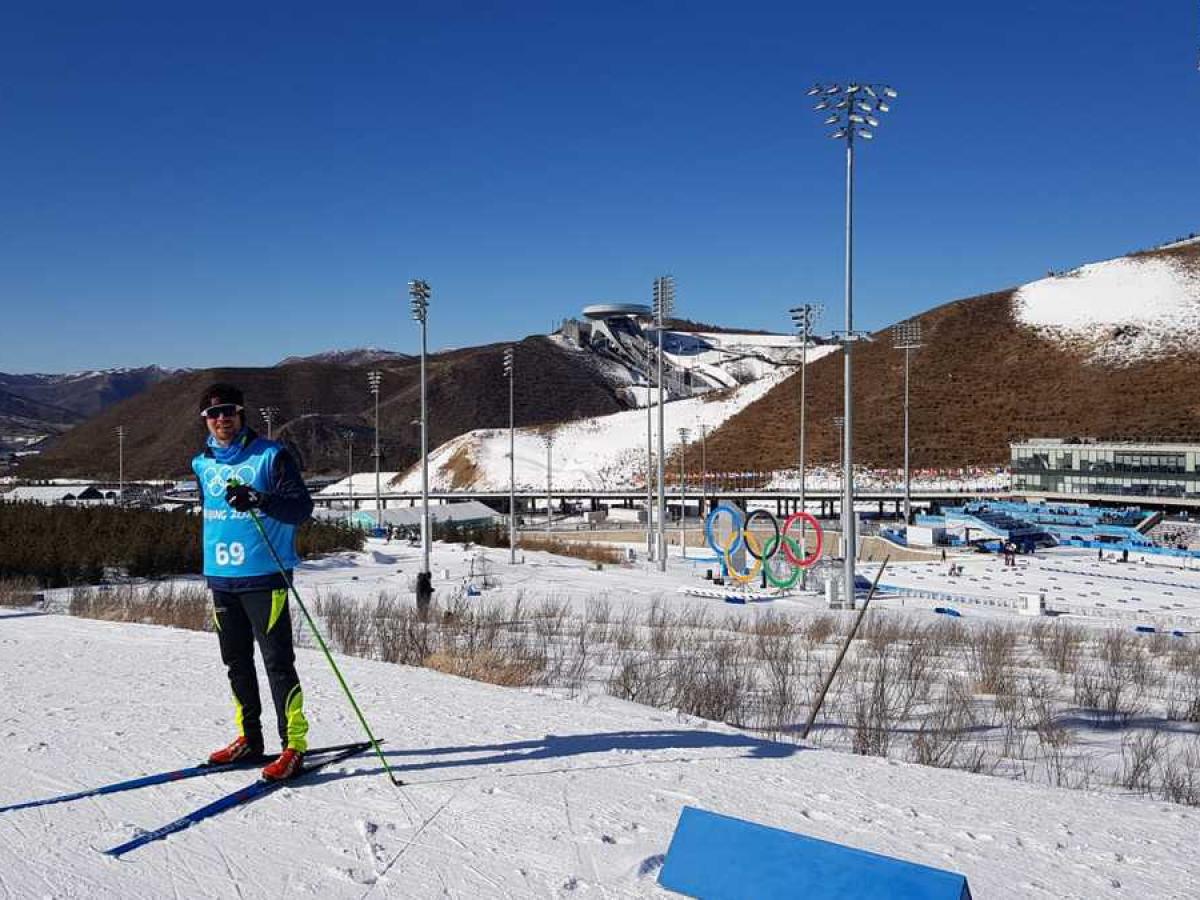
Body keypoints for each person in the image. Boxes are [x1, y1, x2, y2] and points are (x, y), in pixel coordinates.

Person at [192, 383, 314, 781]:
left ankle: (293, 746)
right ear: (205, 421)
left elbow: (300, 509)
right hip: (222, 578)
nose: (221, 419)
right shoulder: (202, 464)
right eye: (213, 414)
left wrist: (261, 499)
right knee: (236, 664)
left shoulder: (271, 456)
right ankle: (249, 738)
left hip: (264, 576)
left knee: (278, 663)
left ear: (241, 414)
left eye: (228, 411)